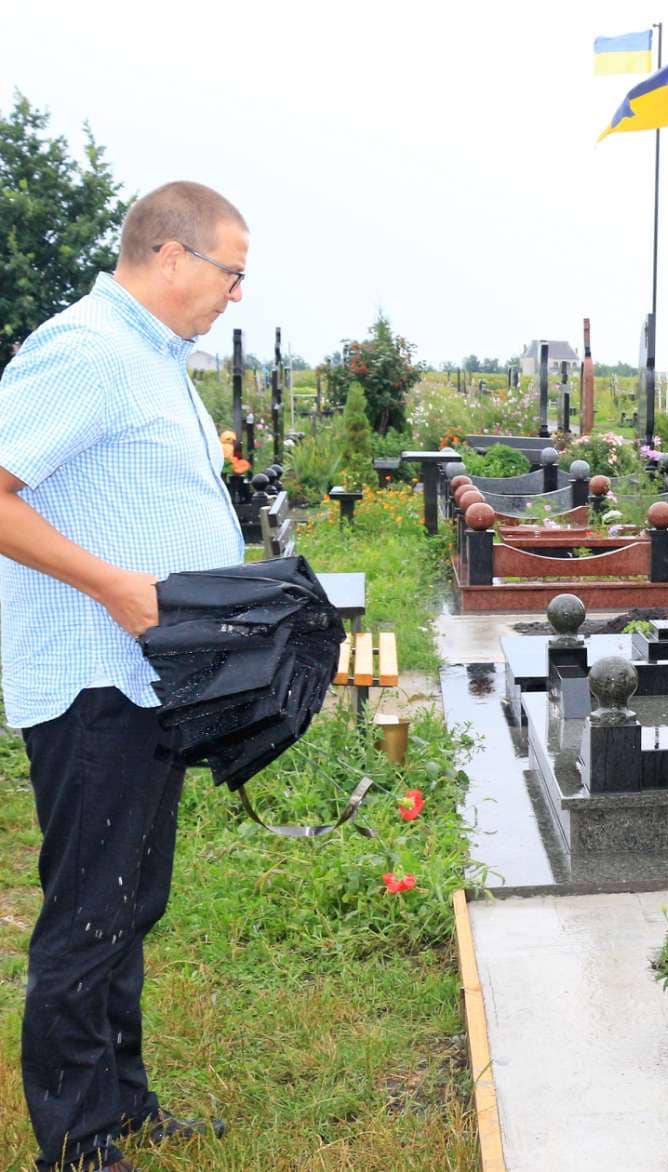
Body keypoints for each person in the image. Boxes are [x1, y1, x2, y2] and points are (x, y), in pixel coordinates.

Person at [0, 181, 247, 1172]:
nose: (236, 293)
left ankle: (125, 1103)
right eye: (233, 272)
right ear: (172, 255)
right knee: (89, 908)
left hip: (146, 679)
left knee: (128, 900)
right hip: (94, 677)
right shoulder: (89, 351)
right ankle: (78, 1141)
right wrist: (113, 586)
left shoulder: (150, 359)